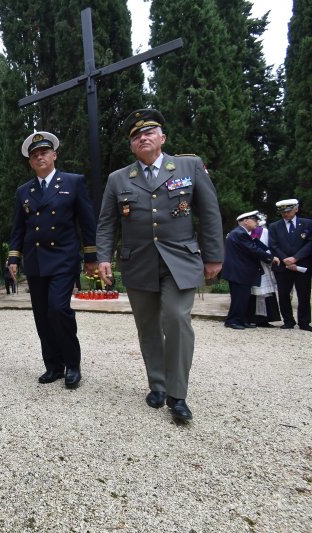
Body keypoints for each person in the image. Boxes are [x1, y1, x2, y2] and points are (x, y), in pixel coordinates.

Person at [96, 109, 224, 422]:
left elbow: (208, 213)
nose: (143, 137)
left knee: (177, 319)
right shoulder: (118, 179)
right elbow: (106, 223)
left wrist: (214, 256)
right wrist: (102, 257)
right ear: (131, 146)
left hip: (179, 261)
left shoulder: (188, 166)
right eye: (136, 136)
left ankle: (177, 395)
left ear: (162, 138)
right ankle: (158, 384)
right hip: (138, 263)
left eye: (149, 132)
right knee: (148, 328)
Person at [7, 131, 97, 390]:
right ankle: (53, 365)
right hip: (35, 261)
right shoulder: (24, 191)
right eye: (34, 155)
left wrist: (91, 255)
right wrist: (13, 257)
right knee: (42, 316)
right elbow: (18, 228)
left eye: (44, 152)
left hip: (62, 259)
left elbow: (87, 222)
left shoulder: (73, 182)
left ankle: (73, 363)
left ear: (54, 155)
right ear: (30, 162)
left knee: (58, 309)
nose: (40, 157)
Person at [220, 211, 279, 330]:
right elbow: (252, 249)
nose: (257, 223)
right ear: (246, 221)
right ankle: (233, 321)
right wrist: (270, 258)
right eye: (254, 220)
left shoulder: (239, 233)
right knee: (239, 298)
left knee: (242, 298)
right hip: (239, 271)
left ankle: (241, 320)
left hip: (240, 271)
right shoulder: (240, 233)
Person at [268, 199, 312, 331]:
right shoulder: (274, 226)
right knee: (283, 294)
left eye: (288, 211)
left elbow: (310, 243)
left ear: (296, 209)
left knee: (304, 294)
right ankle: (288, 321)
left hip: (302, 265)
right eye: (283, 212)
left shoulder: (307, 223)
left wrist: (296, 258)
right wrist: (285, 259)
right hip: (283, 265)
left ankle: (304, 322)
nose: (285, 214)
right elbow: (273, 245)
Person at [247, 218, 281, 327]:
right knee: (252, 293)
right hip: (250, 266)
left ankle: (265, 319)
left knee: (266, 293)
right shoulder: (243, 233)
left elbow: (269, 246)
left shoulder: (264, 232)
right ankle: (252, 318)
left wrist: (268, 257)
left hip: (264, 265)